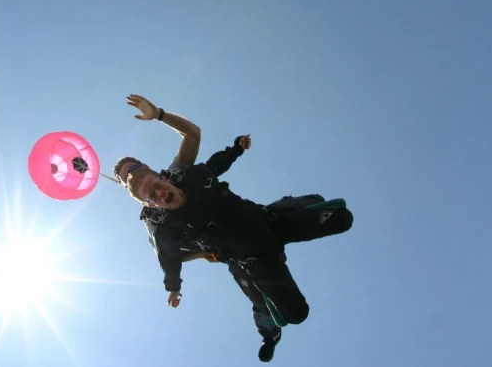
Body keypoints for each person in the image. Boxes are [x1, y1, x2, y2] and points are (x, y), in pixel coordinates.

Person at [115, 95, 354, 346]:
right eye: (151, 195)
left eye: (137, 169)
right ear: (147, 202)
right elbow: (169, 258)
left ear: (156, 172)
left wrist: (235, 148)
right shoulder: (161, 227)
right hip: (247, 259)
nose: (160, 193)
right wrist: (174, 285)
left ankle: (293, 204)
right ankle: (267, 328)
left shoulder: (186, 175)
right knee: (293, 313)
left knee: (343, 219)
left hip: (266, 221)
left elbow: (208, 155)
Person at [114, 95, 284, 362]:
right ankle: (269, 334)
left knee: (280, 218)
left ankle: (304, 209)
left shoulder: (176, 174)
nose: (132, 176)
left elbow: (200, 148)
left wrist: (158, 114)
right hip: (228, 250)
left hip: (244, 220)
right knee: (259, 297)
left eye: (134, 168)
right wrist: (178, 281)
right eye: (126, 179)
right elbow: (171, 257)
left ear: (147, 168)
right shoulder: (154, 224)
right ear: (131, 192)